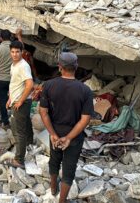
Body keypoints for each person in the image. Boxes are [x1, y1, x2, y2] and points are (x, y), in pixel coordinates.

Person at [39, 52, 93, 203]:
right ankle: (62, 201)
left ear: (60, 67)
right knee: (69, 168)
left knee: (54, 160)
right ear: (76, 67)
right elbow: (85, 119)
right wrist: (69, 138)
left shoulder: (49, 85)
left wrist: (52, 134)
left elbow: (43, 112)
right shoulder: (85, 90)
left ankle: (53, 188)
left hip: (55, 131)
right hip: (74, 136)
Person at [6, 41, 34, 168]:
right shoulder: (14, 65)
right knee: (25, 123)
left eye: (17, 52)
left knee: (18, 131)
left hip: (21, 102)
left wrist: (20, 101)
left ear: (22, 52)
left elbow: (29, 84)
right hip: (16, 99)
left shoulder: (23, 66)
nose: (15, 54)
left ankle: (19, 159)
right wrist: (10, 99)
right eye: (12, 52)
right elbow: (15, 84)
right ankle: (29, 144)